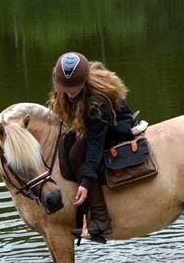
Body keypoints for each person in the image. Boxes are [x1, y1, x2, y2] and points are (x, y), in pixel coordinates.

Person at [48, 52, 142, 243]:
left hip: (114, 124)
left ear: (84, 80)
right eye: (66, 88)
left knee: (76, 155)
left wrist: (85, 181)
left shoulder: (97, 101)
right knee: (67, 143)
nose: (69, 92)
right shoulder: (67, 86)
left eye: (74, 88)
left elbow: (95, 143)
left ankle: (101, 219)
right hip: (92, 121)